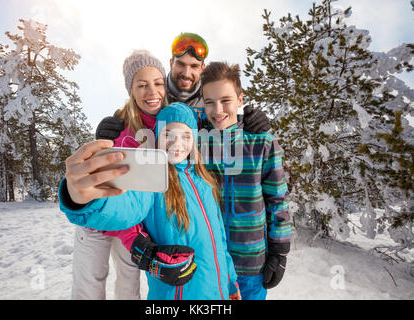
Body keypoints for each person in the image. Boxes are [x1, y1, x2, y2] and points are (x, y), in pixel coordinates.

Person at [59, 103, 241, 300]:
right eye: (168, 134)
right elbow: (126, 207)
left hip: (219, 294)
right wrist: (84, 198)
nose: (177, 142)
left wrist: (231, 283)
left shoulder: (205, 182)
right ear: (155, 137)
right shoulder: (152, 181)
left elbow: (220, 240)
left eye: (186, 136)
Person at [66, 50, 196, 300]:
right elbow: (107, 181)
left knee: (129, 286)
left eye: (158, 83)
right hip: (98, 220)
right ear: (131, 90)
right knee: (89, 287)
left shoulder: (168, 126)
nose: (152, 92)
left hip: (131, 224)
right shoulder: (119, 127)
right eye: (142, 85)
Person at [199, 61, 291, 300]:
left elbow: (277, 201)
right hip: (210, 264)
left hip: (251, 264)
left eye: (225, 100)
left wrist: (279, 252)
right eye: (209, 102)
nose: (217, 109)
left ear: (240, 100)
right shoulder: (197, 145)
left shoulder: (262, 143)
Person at [95, 32, 271, 141]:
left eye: (194, 66)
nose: (187, 73)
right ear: (171, 63)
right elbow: (136, 113)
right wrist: (113, 127)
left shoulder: (209, 99)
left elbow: (224, 120)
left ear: (202, 68)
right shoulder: (156, 93)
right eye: (181, 64)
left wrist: (248, 122)